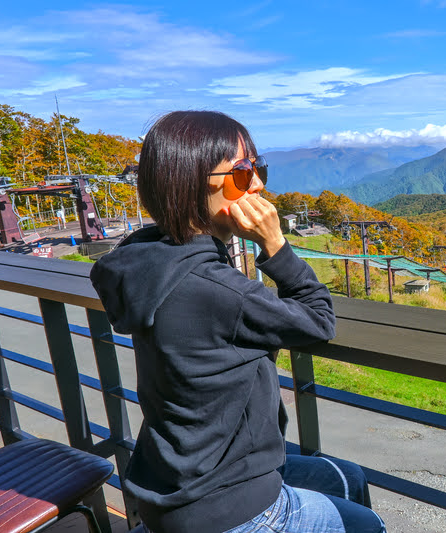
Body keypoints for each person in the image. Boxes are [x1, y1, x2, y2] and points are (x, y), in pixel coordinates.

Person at [90, 110, 386, 533]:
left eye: (258, 167)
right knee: (367, 524)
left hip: (172, 485)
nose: (260, 185)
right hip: (224, 503)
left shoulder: (148, 262)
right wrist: (275, 244)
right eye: (242, 174)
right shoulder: (215, 289)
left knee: (348, 478)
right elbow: (320, 321)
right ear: (190, 182)